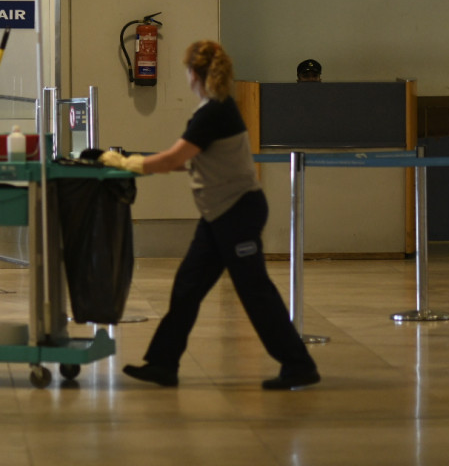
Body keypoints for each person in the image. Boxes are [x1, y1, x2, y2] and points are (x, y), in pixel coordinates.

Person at [100, 40, 320, 391]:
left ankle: (299, 365)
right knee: (187, 287)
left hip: (237, 213)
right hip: (220, 214)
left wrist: (130, 164)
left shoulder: (214, 113)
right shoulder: (215, 109)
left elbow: (174, 158)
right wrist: (143, 165)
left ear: (194, 74)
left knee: (255, 292)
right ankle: (162, 364)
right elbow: (188, 159)